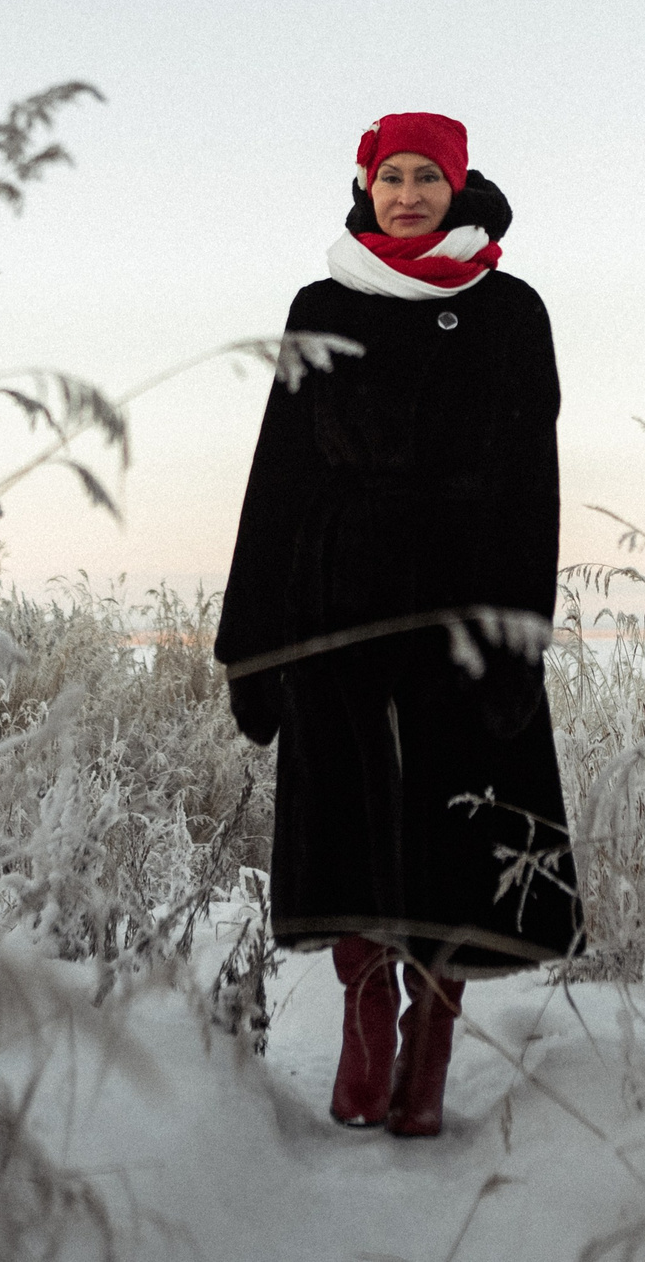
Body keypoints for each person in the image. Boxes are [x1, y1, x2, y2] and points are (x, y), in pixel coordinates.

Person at [214, 111, 582, 1138]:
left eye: (427, 176)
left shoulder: (511, 310)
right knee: (349, 822)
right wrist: (251, 640)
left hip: (464, 611)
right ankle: (366, 1007)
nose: (408, 193)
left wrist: (520, 637)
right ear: (365, 188)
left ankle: (434, 1031)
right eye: (390, 177)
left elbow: (532, 488)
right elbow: (277, 476)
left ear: (457, 187)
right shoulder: (321, 301)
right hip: (335, 604)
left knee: (452, 830)